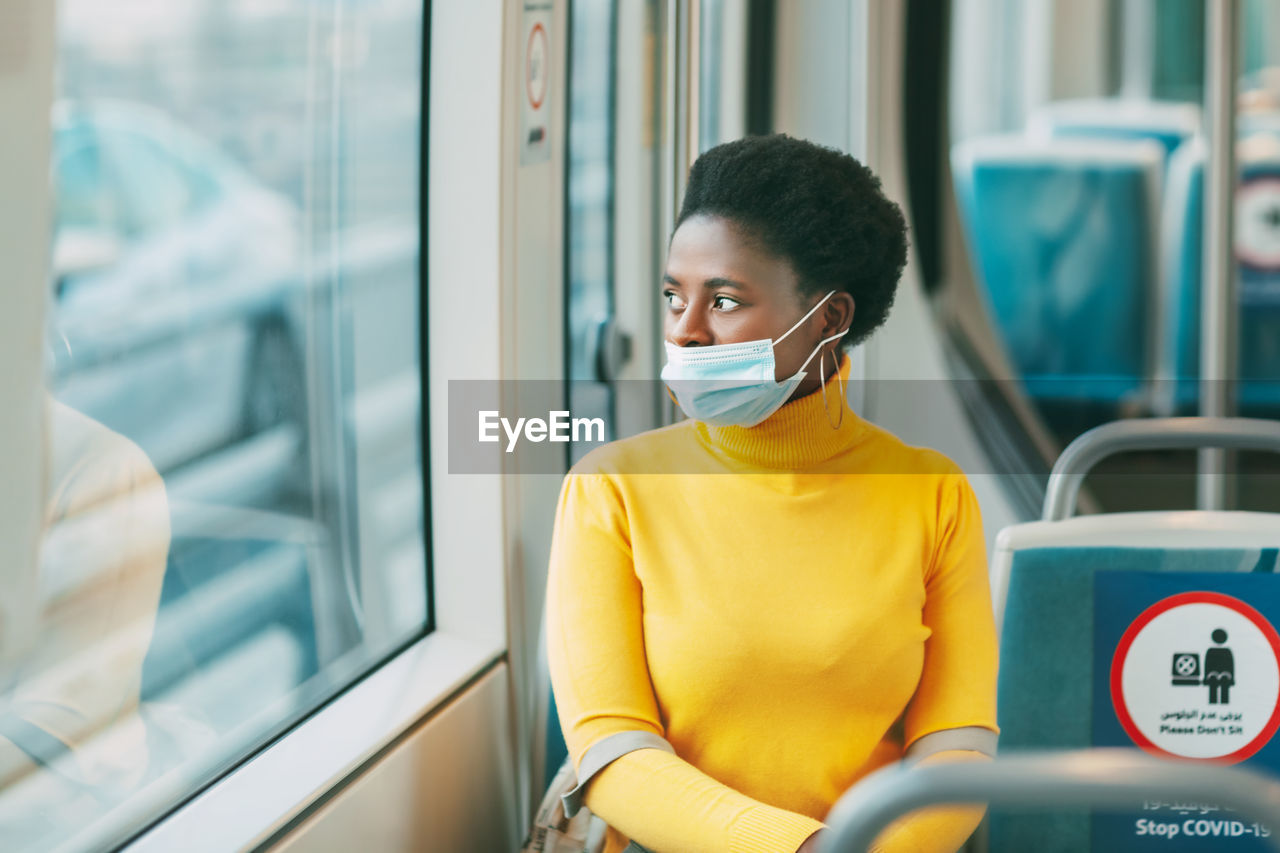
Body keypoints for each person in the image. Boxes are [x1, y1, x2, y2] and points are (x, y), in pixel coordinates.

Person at [546, 134, 998, 853]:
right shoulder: (611, 489)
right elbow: (611, 751)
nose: (685, 332)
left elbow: (959, 746)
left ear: (829, 319)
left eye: (723, 301)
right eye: (673, 297)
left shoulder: (933, 494)